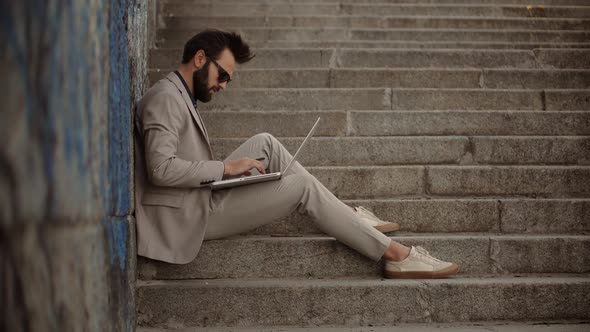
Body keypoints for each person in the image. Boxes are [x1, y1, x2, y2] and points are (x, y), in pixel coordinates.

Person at [134, 29, 459, 279]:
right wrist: (226, 168)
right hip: (187, 217)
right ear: (201, 59)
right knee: (302, 188)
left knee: (266, 142)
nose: (224, 86)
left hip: (196, 197)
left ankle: (347, 216)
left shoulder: (178, 94)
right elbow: (160, 169)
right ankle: (396, 256)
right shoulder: (165, 98)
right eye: (224, 75)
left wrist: (224, 170)